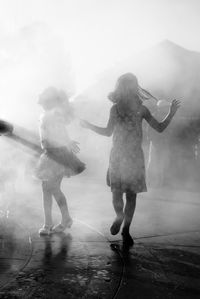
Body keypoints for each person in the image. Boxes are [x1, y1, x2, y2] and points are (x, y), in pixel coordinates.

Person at [81, 73, 180, 246]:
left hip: (126, 156)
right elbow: (108, 132)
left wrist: (171, 113)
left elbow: (159, 128)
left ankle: (125, 227)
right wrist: (89, 126)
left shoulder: (139, 109)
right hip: (123, 156)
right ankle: (121, 220)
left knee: (123, 194)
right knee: (120, 193)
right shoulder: (117, 109)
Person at [36, 87, 85, 235]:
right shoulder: (46, 113)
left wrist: (67, 141)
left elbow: (61, 129)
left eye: (45, 100)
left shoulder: (55, 113)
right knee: (46, 189)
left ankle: (62, 220)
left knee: (53, 189)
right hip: (49, 154)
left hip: (57, 155)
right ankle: (50, 222)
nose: (42, 102)